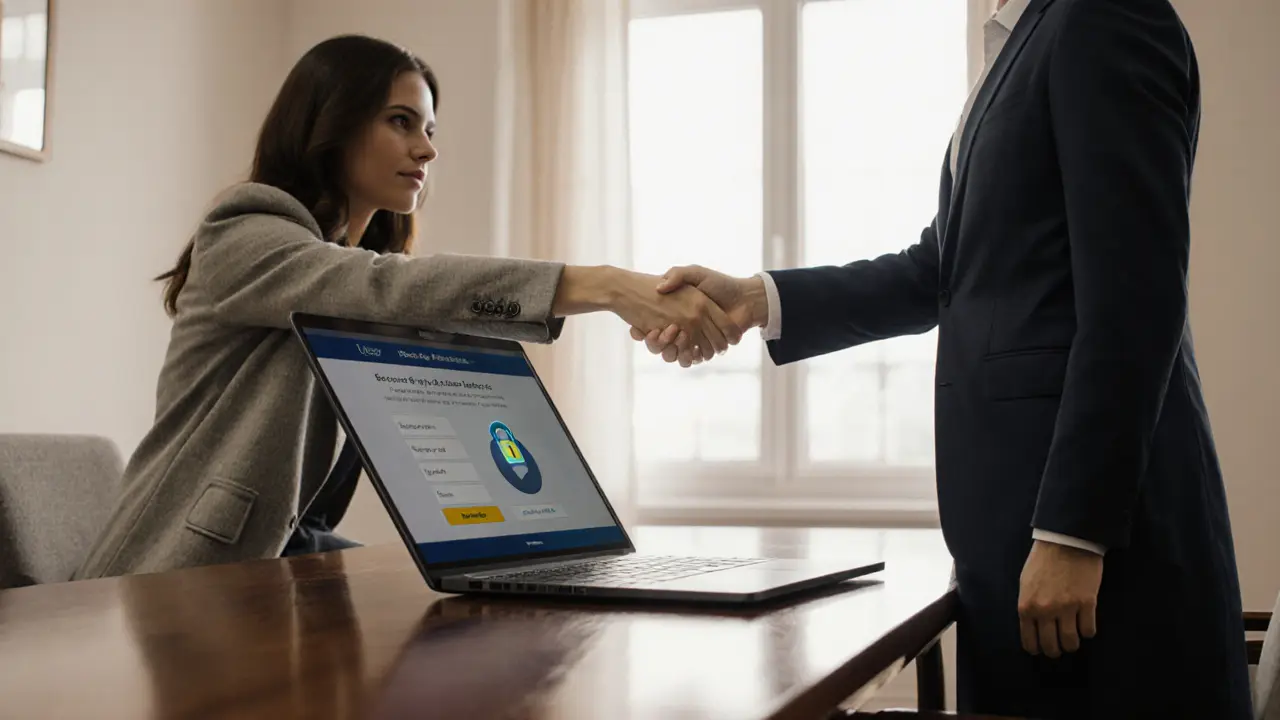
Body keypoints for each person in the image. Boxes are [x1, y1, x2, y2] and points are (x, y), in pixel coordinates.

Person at [636, 0, 1251, 717]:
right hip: (1013, 533)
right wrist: (755, 298)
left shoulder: (1105, 15)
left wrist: (1074, 530)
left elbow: (1136, 297)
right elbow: (940, 269)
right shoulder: (1025, 40)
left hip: (1098, 553)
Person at [73, 34, 740, 580]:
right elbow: (384, 285)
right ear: (328, 122)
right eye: (400, 122)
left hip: (274, 568)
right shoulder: (243, 232)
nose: (427, 149)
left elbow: (390, 296)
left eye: (428, 128)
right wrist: (606, 286)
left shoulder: (347, 279)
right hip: (163, 585)